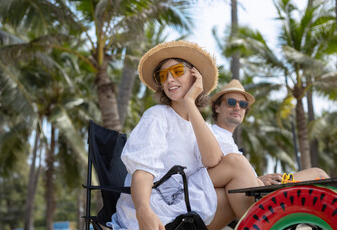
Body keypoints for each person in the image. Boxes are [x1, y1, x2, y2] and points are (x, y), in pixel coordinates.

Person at [107, 41, 263, 230]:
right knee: (236, 168)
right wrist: (143, 210)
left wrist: (190, 101)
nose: (169, 79)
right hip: (156, 207)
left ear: (195, 75)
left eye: (177, 71)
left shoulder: (196, 124)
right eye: (163, 75)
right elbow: (143, 170)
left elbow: (213, 160)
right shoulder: (157, 115)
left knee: (235, 167)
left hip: (181, 197)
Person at [209, 79, 330, 186]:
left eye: (243, 104)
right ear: (217, 107)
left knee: (318, 176)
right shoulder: (210, 134)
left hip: (262, 187)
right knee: (318, 174)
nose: (237, 107)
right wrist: (259, 181)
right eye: (231, 102)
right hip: (256, 193)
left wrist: (259, 180)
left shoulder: (230, 142)